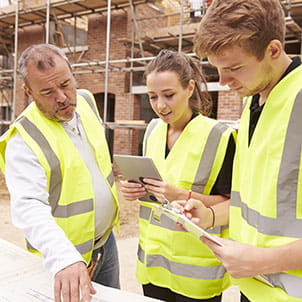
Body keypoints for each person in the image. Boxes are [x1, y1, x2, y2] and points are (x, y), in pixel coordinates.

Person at [178, 0, 302, 301]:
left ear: (273, 50)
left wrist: (264, 261)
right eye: (217, 69)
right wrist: (209, 216)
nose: (223, 81)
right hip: (257, 289)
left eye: (233, 68)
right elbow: (258, 206)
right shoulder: (254, 102)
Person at [0, 44, 120, 302]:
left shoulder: (86, 101)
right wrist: (64, 258)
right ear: (29, 92)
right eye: (48, 92)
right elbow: (29, 207)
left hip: (105, 244)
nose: (63, 97)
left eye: (66, 84)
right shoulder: (23, 139)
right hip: (64, 261)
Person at [120, 49, 237, 302]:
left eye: (169, 95)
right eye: (152, 97)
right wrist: (136, 191)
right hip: (153, 266)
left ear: (190, 88)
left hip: (196, 274)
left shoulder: (219, 137)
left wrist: (180, 195)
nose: (160, 105)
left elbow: (235, 204)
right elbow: (154, 197)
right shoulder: (151, 131)